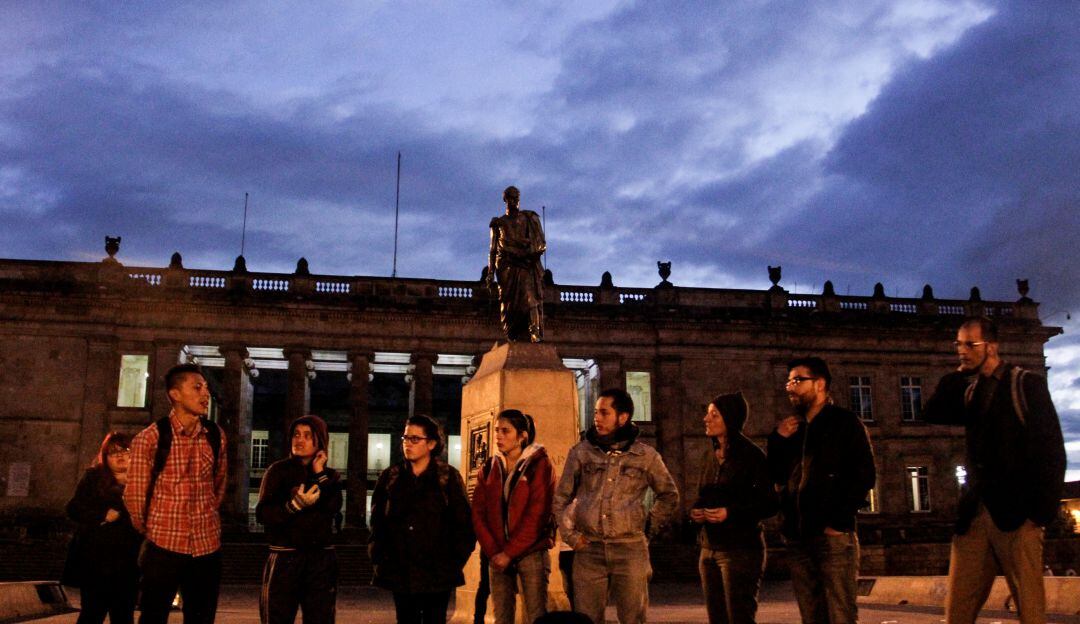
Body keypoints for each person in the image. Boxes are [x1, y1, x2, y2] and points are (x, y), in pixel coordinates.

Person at [923, 316, 1066, 624]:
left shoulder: (1025, 384)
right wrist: (956, 375)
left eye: (970, 344)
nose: (962, 351)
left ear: (992, 346)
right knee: (957, 613)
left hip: (1018, 518)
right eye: (959, 344)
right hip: (975, 515)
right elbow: (932, 412)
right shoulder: (971, 390)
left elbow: (1052, 451)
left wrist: (1040, 514)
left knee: (1030, 612)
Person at [552, 388, 680, 624]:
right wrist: (570, 536)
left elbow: (669, 495)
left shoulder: (646, 456)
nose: (597, 418)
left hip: (630, 549)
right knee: (587, 618)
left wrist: (648, 526)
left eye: (604, 412)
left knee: (633, 618)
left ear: (622, 417)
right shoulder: (580, 453)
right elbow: (560, 499)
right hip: (589, 549)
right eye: (596, 413)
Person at [767, 357, 875, 624]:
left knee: (840, 614)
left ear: (820, 384)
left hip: (832, 538)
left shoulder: (845, 423)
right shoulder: (792, 429)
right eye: (788, 381)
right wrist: (777, 441)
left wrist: (838, 522)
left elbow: (864, 475)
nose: (790, 387)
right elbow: (776, 476)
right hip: (797, 537)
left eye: (797, 380)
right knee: (811, 615)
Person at [123, 363, 227, 624]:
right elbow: (135, 496)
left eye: (206, 387)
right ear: (175, 394)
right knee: (153, 616)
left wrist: (208, 517)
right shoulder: (150, 439)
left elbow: (219, 485)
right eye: (197, 387)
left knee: (202, 618)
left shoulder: (215, 436)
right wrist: (153, 530)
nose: (206, 394)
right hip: (164, 546)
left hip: (206, 546)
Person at [368, 415, 476, 624]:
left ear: (432, 443)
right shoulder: (391, 476)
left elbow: (463, 525)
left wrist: (453, 562)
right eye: (405, 438)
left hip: (437, 573)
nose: (408, 444)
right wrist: (378, 556)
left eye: (415, 439)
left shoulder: (448, 477)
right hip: (401, 571)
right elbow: (378, 522)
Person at [691, 392, 778, 624]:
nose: (706, 419)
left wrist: (730, 513)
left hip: (740, 551)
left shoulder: (752, 456)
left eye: (714, 414)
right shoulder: (708, 455)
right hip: (708, 549)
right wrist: (697, 513)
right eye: (707, 413)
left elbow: (769, 503)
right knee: (717, 618)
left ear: (730, 419)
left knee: (739, 617)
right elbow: (705, 494)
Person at [256, 415, 343, 624]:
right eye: (296, 434)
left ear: (319, 441)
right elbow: (263, 513)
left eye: (307, 435)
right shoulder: (278, 471)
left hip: (320, 559)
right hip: (285, 556)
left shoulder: (330, 476)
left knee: (321, 618)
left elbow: (333, 506)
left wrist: (319, 473)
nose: (299, 440)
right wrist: (293, 506)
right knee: (276, 617)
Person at [471, 410, 556, 624]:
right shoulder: (489, 466)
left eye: (505, 431)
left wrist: (509, 553)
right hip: (496, 554)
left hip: (532, 552)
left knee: (536, 616)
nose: (498, 436)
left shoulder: (540, 465)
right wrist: (494, 552)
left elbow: (538, 514)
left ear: (522, 436)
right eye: (497, 430)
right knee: (501, 617)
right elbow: (478, 513)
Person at [65, 432, 142, 624]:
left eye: (125, 450)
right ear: (105, 457)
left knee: (123, 615)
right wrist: (101, 514)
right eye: (113, 452)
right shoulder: (94, 478)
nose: (120, 456)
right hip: (96, 561)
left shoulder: (141, 482)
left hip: (128, 562)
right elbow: (73, 508)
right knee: (92, 613)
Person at [485, 185, 546, 342]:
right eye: (511, 198)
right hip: (506, 267)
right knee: (508, 304)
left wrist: (531, 252)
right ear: (505, 199)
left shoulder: (528, 219)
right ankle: (512, 334)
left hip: (525, 264)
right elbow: (492, 249)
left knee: (529, 297)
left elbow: (539, 243)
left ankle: (534, 331)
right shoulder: (498, 223)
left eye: (516, 198)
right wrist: (491, 272)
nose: (514, 201)